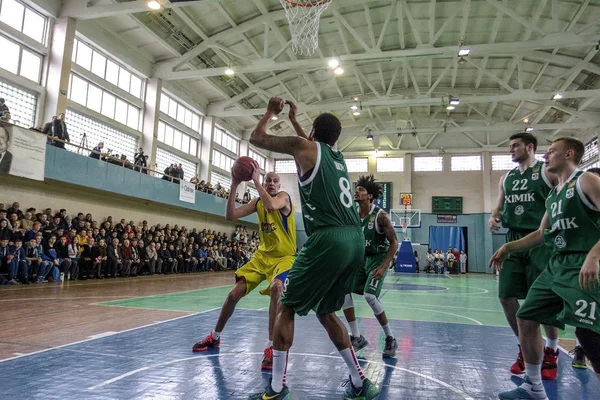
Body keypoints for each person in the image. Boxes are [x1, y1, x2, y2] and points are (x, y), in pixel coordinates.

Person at [247, 97, 378, 400]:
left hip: (327, 239)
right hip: (354, 241)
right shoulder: (339, 157)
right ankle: (360, 384)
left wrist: (272, 112)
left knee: (287, 306)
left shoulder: (305, 148)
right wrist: (295, 119)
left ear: (314, 133)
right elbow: (311, 145)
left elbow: (257, 138)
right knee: (327, 311)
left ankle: (277, 389)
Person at [491, 137, 600, 400]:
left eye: (552, 151)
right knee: (526, 317)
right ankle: (533, 387)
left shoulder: (586, 180)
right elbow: (541, 233)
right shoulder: (553, 194)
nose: (546, 155)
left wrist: (594, 256)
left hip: (583, 264)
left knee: (589, 335)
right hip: (557, 264)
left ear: (569, 153)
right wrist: (508, 247)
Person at [191, 169, 296, 372]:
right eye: (268, 181)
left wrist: (255, 180)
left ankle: (271, 347)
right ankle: (215, 337)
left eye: (275, 181)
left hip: (284, 258)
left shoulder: (283, 198)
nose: (271, 183)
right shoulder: (257, 202)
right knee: (233, 294)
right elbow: (231, 215)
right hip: (262, 257)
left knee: (277, 289)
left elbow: (272, 205)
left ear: (279, 185)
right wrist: (234, 185)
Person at [488, 132, 560, 379]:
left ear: (530, 147)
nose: (511, 150)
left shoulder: (546, 171)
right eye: (510, 146)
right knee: (506, 296)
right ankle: (524, 347)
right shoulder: (506, 178)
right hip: (513, 241)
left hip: (541, 241)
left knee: (542, 300)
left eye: (515, 146)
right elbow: (499, 205)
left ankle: (551, 350)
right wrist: (494, 217)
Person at [342, 174, 399, 358]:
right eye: (356, 189)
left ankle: (390, 338)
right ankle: (357, 336)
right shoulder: (353, 215)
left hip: (377, 258)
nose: (357, 192)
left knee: (369, 296)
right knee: (343, 290)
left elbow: (394, 242)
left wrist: (383, 267)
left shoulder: (380, 217)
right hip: (360, 259)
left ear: (370, 196)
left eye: (361, 190)